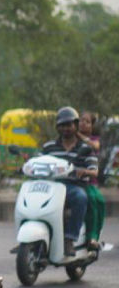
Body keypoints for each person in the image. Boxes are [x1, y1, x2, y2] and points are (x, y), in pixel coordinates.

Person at [42, 107, 98, 256]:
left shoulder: (85, 148)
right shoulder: (49, 147)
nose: (65, 128)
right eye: (62, 125)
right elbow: (38, 161)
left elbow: (94, 170)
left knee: (80, 197)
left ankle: (69, 239)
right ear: (57, 127)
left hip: (72, 187)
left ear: (76, 125)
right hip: (51, 186)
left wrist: (84, 171)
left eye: (68, 125)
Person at [78, 111, 105, 249]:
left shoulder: (94, 139)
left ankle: (94, 237)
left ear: (92, 126)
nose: (83, 123)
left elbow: (95, 146)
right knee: (91, 200)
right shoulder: (70, 138)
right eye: (81, 120)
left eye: (87, 121)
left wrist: (79, 136)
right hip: (75, 180)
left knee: (98, 201)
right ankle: (90, 236)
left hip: (90, 180)